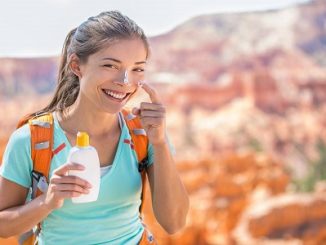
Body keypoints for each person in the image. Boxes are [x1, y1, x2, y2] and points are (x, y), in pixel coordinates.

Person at [0, 11, 189, 244]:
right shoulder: (29, 139)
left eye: (137, 69)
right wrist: (46, 202)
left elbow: (174, 222)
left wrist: (159, 143)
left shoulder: (145, 133)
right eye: (110, 65)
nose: (125, 81)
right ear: (76, 65)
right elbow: (3, 225)